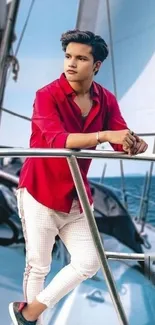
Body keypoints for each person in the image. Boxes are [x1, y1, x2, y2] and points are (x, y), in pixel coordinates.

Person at [9, 29, 148, 325]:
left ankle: (30, 313)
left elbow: (118, 140)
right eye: (68, 56)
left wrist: (134, 143)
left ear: (96, 65)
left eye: (81, 58)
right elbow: (57, 139)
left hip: (75, 196)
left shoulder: (106, 99)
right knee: (39, 265)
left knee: (89, 261)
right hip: (38, 191)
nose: (71, 63)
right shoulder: (46, 96)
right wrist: (104, 134)